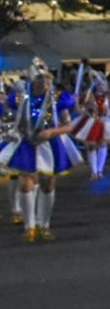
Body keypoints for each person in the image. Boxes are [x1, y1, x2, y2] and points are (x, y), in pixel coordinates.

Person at [0, 63, 82, 242]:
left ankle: (43, 225)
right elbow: (9, 116)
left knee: (47, 184)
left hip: (50, 144)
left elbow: (69, 126)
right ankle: (29, 227)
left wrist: (52, 132)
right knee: (25, 184)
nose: (44, 81)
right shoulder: (21, 97)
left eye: (47, 78)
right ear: (32, 79)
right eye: (40, 78)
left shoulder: (57, 98)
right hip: (26, 142)